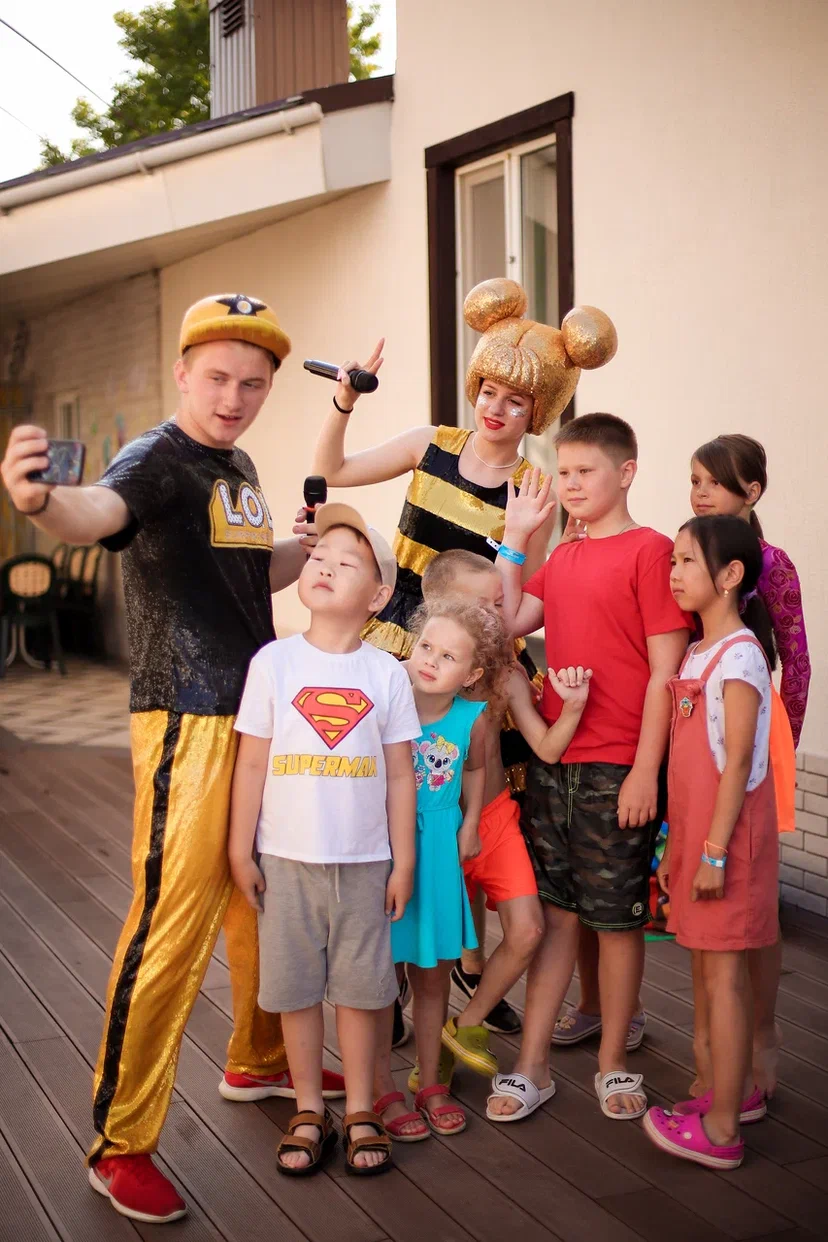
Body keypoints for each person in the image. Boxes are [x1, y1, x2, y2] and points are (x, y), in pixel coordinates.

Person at [0, 293, 344, 1224]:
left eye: (253, 384)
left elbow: (242, 572)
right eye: (218, 378)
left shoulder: (235, 465)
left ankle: (259, 1058)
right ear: (184, 373)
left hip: (257, 714)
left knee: (260, 897)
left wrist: (298, 550)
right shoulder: (154, 457)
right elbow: (97, 510)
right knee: (169, 925)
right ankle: (120, 1143)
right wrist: (39, 502)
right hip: (185, 722)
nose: (234, 397)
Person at [312, 277, 618, 1039]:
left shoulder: (534, 486)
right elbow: (333, 471)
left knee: (462, 816)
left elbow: (515, 605)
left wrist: (519, 541)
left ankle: (469, 964)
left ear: (537, 411)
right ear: (475, 384)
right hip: (397, 652)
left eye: (517, 400)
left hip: (474, 669)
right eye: (490, 390)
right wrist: (344, 401)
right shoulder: (431, 445)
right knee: (384, 816)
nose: (497, 408)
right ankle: (382, 982)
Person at [489, 413, 691, 1122]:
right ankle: (531, 1065)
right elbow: (507, 621)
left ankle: (613, 1063)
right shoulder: (566, 555)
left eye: (585, 472)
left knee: (616, 923)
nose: (570, 484)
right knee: (556, 917)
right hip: (555, 760)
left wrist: (644, 771)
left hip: (617, 767)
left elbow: (665, 671)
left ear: (626, 472)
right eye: (563, 472)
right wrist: (515, 540)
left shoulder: (651, 551)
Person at [228, 502, 419, 1175]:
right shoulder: (274, 663)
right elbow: (251, 763)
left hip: (365, 863)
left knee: (365, 992)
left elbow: (401, 775)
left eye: (348, 562)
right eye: (319, 557)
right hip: (286, 860)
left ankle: (361, 1107)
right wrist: (239, 847)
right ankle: (309, 1106)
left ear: (379, 596)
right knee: (296, 988)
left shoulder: (385, 673)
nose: (326, 567)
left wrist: (403, 862)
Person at [643, 516, 780, 1170]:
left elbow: (739, 762)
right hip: (698, 840)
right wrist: (678, 848)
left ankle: (723, 1129)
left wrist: (714, 853)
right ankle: (730, 1092)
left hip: (728, 846)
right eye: (672, 560)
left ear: (730, 575)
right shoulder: (699, 651)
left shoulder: (741, 655)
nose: (674, 573)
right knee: (705, 969)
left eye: (687, 561)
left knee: (724, 978)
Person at [685, 433, 808, 1101]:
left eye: (714, 482)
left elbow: (797, 657)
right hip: (699, 736)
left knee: (755, 895)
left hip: (757, 738)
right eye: (694, 480)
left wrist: (779, 746)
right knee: (710, 906)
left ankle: (762, 1035)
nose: (699, 492)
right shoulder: (688, 558)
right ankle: (717, 1054)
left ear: (751, 491)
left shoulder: (773, 564)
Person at [378, 600, 508, 1138]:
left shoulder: (470, 720)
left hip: (436, 852)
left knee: (432, 979)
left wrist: (471, 821)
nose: (430, 660)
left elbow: (475, 771)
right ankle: (378, 1090)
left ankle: (429, 1081)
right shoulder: (387, 701)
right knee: (377, 979)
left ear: (472, 674)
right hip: (383, 849)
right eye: (426, 647)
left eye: (448, 656)